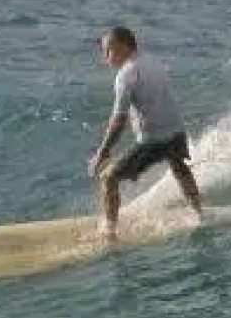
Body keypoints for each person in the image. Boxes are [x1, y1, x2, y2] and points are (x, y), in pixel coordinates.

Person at [87, 26, 203, 240]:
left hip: (153, 140)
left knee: (108, 178)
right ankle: (199, 213)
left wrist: (102, 153)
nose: (105, 57)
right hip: (176, 131)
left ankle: (110, 232)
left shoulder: (126, 74)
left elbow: (118, 119)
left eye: (107, 51)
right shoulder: (153, 60)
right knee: (178, 165)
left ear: (122, 47)